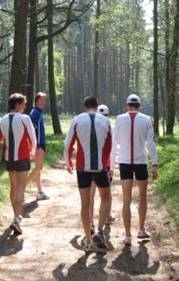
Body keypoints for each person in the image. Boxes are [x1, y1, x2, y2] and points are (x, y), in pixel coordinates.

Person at [64, 96, 113, 253]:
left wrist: (68, 162)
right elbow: (109, 146)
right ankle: (99, 230)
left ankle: (88, 241)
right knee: (105, 197)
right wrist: (106, 165)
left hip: (82, 168)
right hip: (100, 168)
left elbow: (68, 144)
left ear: (84, 106)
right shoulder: (106, 122)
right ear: (97, 106)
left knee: (85, 203)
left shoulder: (77, 120)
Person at [115, 94, 158, 247]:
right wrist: (155, 164)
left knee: (126, 198)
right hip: (140, 161)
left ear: (127, 105)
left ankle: (127, 236)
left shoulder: (119, 119)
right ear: (139, 106)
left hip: (125, 161)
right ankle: (141, 229)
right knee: (142, 195)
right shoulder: (146, 119)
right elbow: (151, 143)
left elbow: (117, 140)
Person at [0, 93, 37, 235]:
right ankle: (16, 219)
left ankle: (15, 216)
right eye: (23, 103)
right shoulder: (24, 118)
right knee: (21, 189)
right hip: (22, 158)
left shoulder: (2, 120)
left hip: (9, 160)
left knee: (14, 187)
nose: (25, 106)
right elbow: (32, 138)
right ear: (17, 104)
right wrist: (33, 152)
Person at [88, 104, 116, 234]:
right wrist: (112, 166)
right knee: (106, 194)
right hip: (105, 165)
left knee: (90, 196)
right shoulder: (111, 127)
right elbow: (113, 148)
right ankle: (106, 217)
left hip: (89, 166)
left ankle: (90, 222)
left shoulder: (89, 126)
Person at [27, 92, 50, 201]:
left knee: (37, 168)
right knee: (39, 167)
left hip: (38, 144)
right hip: (38, 144)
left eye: (44, 100)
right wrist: (38, 146)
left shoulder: (38, 112)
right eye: (41, 100)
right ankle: (22, 187)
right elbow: (36, 132)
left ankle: (39, 192)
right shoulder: (35, 113)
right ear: (36, 101)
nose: (43, 102)